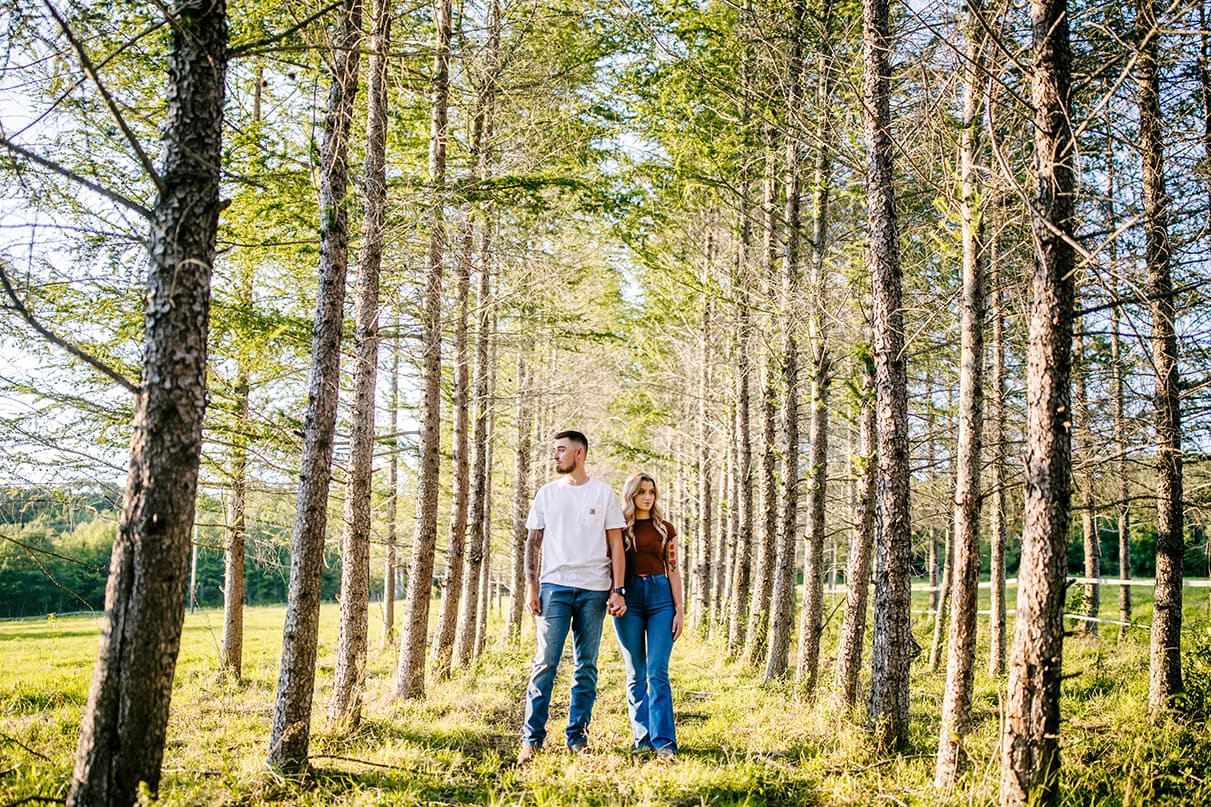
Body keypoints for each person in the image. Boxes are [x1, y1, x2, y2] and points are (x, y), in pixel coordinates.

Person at [518, 430, 627, 765]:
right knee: (545, 663)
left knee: (586, 666)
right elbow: (533, 544)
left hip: (594, 589)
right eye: (554, 450)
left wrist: (618, 589)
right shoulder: (546, 494)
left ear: (579, 453)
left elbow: (616, 546)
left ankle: (576, 736)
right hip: (554, 588)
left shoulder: (603, 493)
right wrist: (532, 586)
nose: (555, 456)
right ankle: (531, 739)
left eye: (561, 450)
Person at [612, 470, 684, 761]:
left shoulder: (665, 528)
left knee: (658, 671)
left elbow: (674, 570)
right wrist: (613, 594)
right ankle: (642, 739)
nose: (646, 497)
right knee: (635, 673)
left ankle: (664, 742)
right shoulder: (619, 527)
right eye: (641, 491)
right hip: (628, 598)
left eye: (651, 492)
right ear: (632, 494)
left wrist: (679, 609)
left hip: (660, 598)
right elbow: (611, 565)